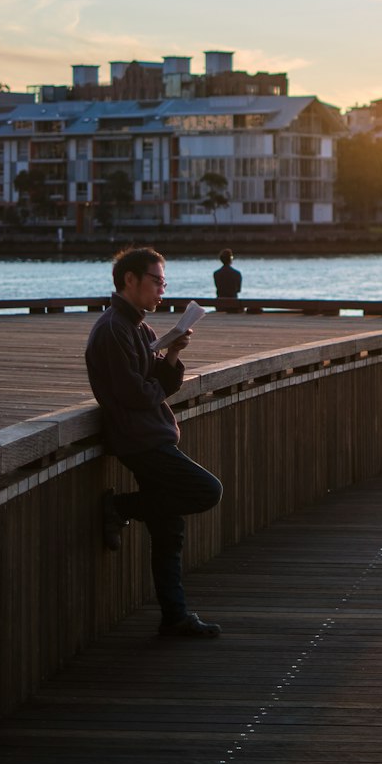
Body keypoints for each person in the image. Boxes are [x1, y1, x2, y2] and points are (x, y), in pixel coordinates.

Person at [85, 246, 223, 639]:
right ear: (130, 280)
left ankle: (174, 615)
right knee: (206, 490)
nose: (162, 289)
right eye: (157, 280)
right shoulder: (113, 329)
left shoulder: (140, 328)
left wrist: (174, 352)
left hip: (150, 433)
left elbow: (161, 386)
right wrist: (159, 379)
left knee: (169, 529)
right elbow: (137, 395)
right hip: (139, 439)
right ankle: (119, 506)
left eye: (164, 281)